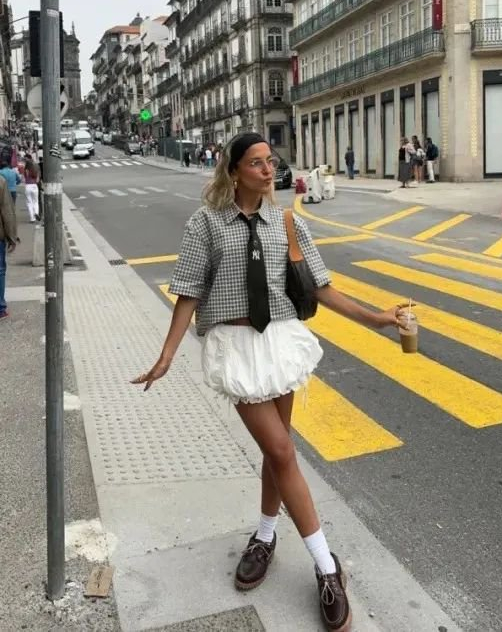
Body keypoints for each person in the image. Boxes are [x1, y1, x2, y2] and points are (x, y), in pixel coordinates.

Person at [132, 132, 407, 632]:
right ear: (234, 171)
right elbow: (188, 291)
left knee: (275, 453)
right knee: (281, 451)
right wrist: (167, 354)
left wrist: (377, 319)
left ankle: (264, 536)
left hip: (279, 341)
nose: (268, 169)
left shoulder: (288, 223)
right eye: (256, 163)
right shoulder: (206, 223)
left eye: (270, 161)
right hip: (237, 348)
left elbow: (320, 288)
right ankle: (327, 567)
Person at [0, 175, 17, 320]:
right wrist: (12, 237)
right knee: (0, 270)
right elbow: (7, 211)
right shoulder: (0, 181)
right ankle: (0, 308)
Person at [24, 154, 40, 223]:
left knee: (29, 202)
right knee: (35, 201)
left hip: (28, 186)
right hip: (34, 186)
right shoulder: (36, 169)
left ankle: (32, 218)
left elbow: (24, 178)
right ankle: (36, 212)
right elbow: (37, 180)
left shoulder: (26, 170)